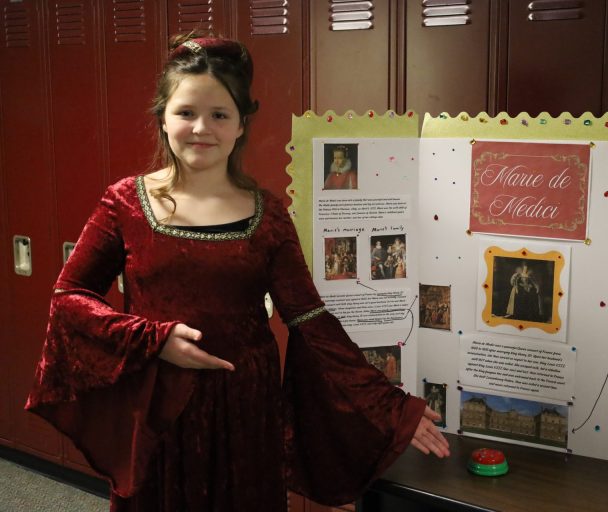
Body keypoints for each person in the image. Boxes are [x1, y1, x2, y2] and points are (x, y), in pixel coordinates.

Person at [25, 34, 449, 512]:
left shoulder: (266, 214)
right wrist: (151, 339)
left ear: (241, 124)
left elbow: (310, 321)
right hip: (160, 407)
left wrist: (389, 406)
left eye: (219, 115)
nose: (201, 128)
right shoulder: (124, 202)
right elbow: (69, 295)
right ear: (163, 117)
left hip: (246, 410)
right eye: (186, 112)